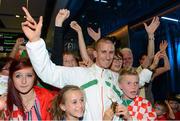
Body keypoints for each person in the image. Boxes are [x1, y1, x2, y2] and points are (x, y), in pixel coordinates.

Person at [22, 7, 153, 120]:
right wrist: (35, 42)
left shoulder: (115, 78)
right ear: (95, 54)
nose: (108, 57)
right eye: (103, 52)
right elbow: (48, 73)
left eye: (111, 52)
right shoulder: (80, 74)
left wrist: (151, 41)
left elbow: (137, 81)